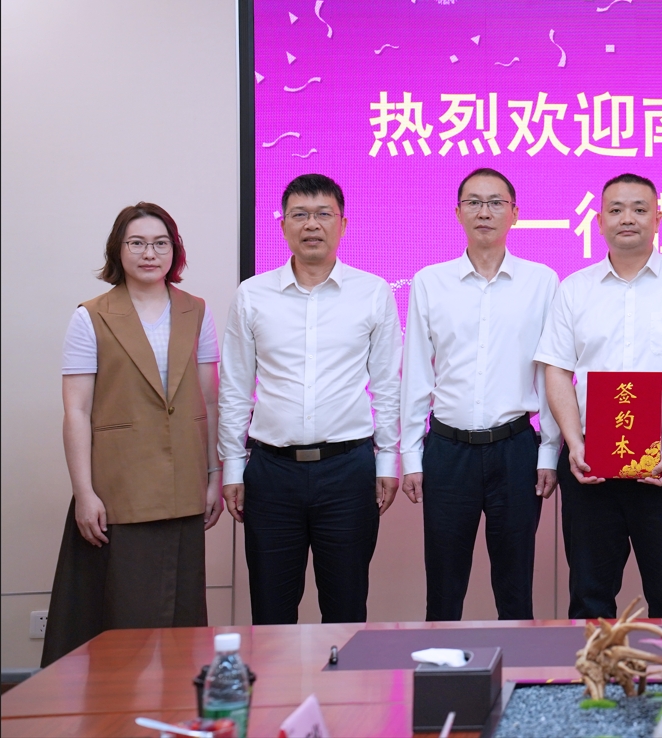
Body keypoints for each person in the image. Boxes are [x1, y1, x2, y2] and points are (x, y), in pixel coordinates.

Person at [43, 203, 222, 666]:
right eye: (137, 243)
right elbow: (76, 410)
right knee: (125, 623)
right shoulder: (91, 316)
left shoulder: (196, 311)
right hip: (120, 488)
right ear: (118, 250)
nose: (149, 253)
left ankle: (179, 706)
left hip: (184, 485)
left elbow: (210, 401)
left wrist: (214, 476)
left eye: (160, 243)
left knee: (183, 621)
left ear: (174, 250)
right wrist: (84, 493)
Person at [219, 174, 401, 625]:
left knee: (345, 607)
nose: (312, 225)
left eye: (323, 214)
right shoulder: (252, 295)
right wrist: (233, 466)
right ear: (282, 225)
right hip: (271, 473)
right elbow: (235, 387)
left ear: (343, 224)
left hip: (348, 471)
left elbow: (387, 385)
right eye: (299, 214)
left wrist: (387, 461)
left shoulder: (372, 292)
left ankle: (342, 677)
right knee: (271, 612)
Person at [534, 173, 662, 618]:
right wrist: (574, 443)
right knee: (589, 599)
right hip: (591, 462)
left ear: (659, 218)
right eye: (615, 210)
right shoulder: (574, 288)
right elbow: (556, 370)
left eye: (639, 208)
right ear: (599, 222)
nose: (627, 218)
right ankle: (593, 669)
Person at [400, 168, 559, 621]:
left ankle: (522, 668)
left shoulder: (542, 281)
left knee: (515, 587)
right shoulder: (430, 281)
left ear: (515, 213)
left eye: (495, 202)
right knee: (444, 588)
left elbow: (550, 373)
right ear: (457, 213)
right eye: (473, 202)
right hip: (447, 451)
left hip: (515, 448)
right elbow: (417, 373)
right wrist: (410, 455)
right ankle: (440, 667)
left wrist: (549, 452)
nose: (484, 212)